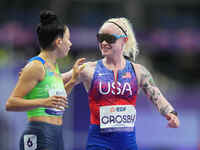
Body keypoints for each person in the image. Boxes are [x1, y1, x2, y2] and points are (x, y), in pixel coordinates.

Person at [62, 17, 180, 150]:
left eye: (110, 38)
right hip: (99, 142)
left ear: (124, 41)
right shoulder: (88, 70)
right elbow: (57, 79)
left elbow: (156, 95)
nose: (104, 42)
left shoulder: (138, 71)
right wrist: (41, 65)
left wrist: (171, 113)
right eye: (100, 38)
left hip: (127, 143)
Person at [5, 10, 85, 150]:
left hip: (56, 133)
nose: (70, 44)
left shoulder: (54, 67)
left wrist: (72, 81)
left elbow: (56, 102)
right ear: (59, 42)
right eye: (68, 39)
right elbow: (10, 103)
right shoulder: (36, 66)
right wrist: (43, 102)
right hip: (39, 133)